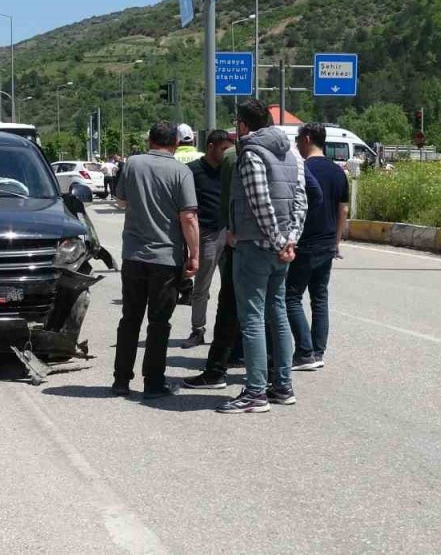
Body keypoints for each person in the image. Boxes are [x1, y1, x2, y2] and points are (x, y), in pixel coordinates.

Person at [217, 99, 308, 414]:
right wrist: (290, 240)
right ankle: (282, 386)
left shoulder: (251, 154)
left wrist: (279, 240)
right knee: (277, 313)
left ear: (243, 126)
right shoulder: (291, 154)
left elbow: (259, 202)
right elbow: (300, 199)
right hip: (281, 250)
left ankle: (256, 392)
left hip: (256, 246)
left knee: (253, 318)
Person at [112, 121, 200, 400]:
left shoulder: (133, 164)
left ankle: (121, 380)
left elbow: (121, 202)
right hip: (166, 257)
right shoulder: (181, 171)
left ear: (150, 140)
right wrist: (194, 254)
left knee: (130, 318)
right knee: (159, 322)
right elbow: (188, 217)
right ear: (175, 142)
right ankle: (153, 382)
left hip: (134, 255)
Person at [287, 123, 350, 371]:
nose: (296, 144)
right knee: (319, 298)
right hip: (326, 243)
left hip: (305, 241)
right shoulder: (338, 171)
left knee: (290, 297)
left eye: (297, 138)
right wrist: (336, 242)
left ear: (308, 138)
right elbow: (343, 209)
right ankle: (318, 351)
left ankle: (304, 352)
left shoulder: (302, 168)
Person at [180, 130, 232, 349]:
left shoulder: (230, 169)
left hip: (230, 233)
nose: (227, 153)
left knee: (231, 287)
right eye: (223, 149)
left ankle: (229, 333)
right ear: (211, 147)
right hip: (207, 234)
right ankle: (198, 329)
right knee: (202, 286)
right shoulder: (192, 171)